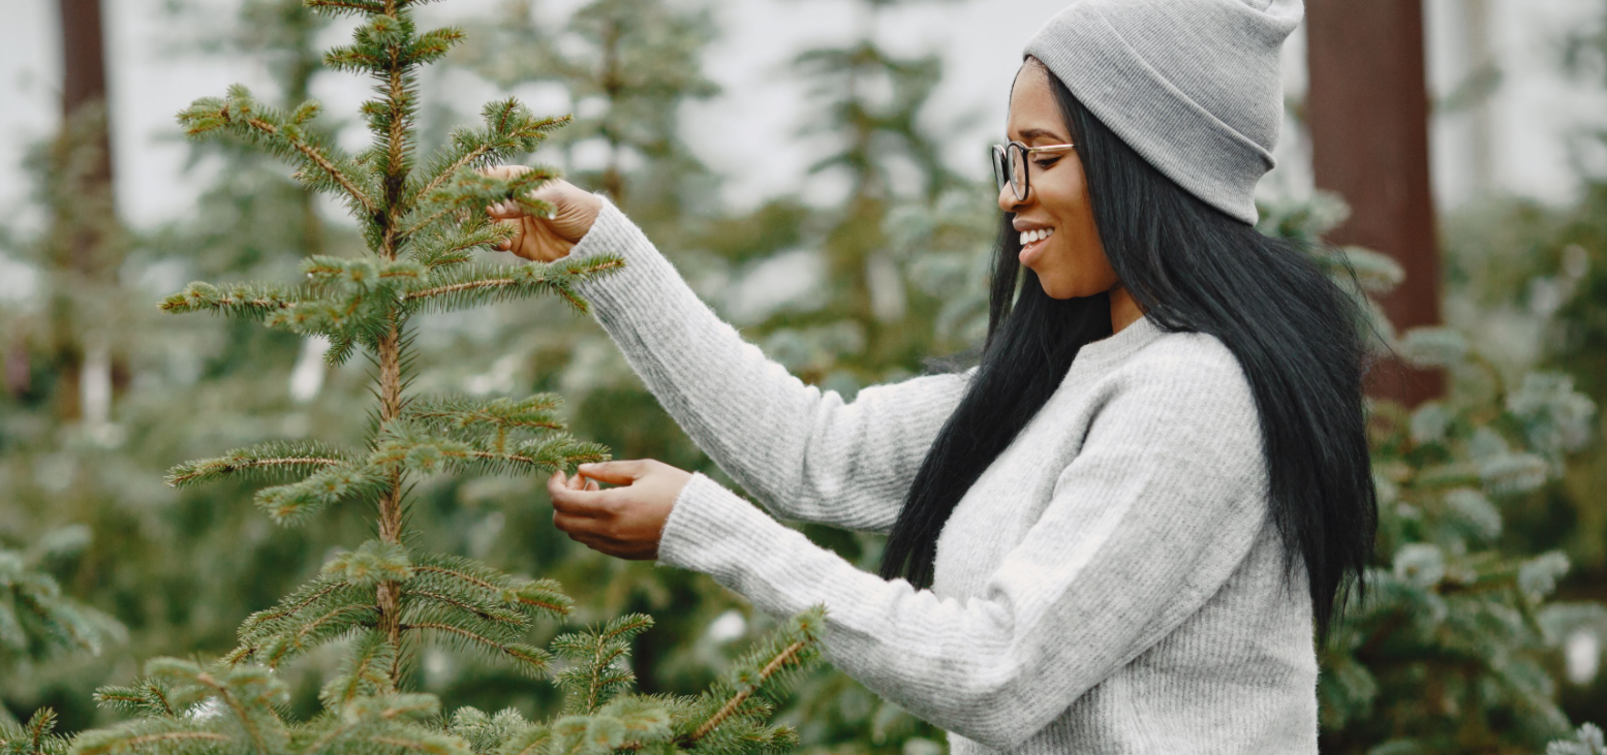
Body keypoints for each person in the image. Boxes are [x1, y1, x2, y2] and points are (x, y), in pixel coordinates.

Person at [482, 0, 1377, 751]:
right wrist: (601, 247)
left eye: (1045, 156)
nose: (1011, 192)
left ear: (1149, 163)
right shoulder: (1055, 379)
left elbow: (998, 668)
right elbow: (812, 451)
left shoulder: (1194, 392)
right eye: (1008, 157)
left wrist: (702, 526)